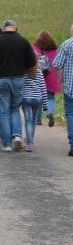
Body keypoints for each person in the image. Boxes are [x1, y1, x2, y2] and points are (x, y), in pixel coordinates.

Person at [0, 20, 37, 152]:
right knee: (14, 109)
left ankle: (7, 144)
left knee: (3, 112)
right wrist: (21, 65)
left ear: (3, 29)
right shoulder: (23, 41)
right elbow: (32, 61)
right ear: (15, 28)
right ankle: (18, 136)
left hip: (2, 79)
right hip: (19, 78)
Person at [32, 30, 61, 127]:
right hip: (51, 76)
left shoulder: (35, 48)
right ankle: (50, 112)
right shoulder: (55, 50)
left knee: (38, 98)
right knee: (50, 98)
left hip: (39, 75)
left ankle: (38, 119)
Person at [52, 24, 73, 156]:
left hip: (70, 86)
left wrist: (61, 83)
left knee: (70, 114)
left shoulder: (66, 44)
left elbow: (58, 65)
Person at [22, 52, 48, 152]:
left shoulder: (24, 72)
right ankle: (30, 140)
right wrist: (45, 105)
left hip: (26, 98)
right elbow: (43, 88)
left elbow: (21, 87)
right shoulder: (39, 72)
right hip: (38, 98)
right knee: (33, 121)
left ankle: (30, 142)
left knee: (28, 120)